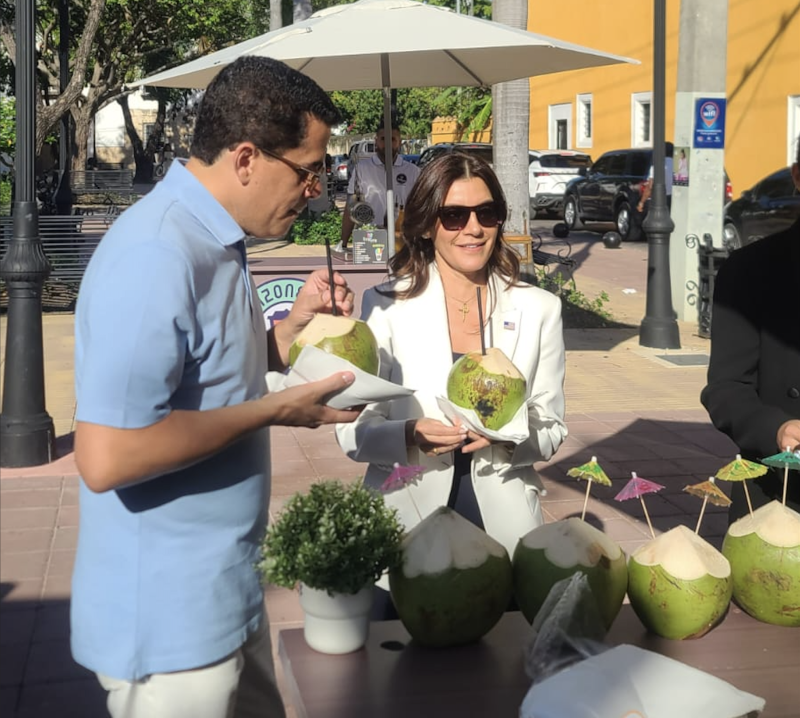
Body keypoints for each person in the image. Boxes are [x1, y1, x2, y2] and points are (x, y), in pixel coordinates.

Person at [71, 57, 363, 718]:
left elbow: (208, 377)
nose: (317, 188)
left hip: (224, 596)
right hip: (168, 625)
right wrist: (269, 412)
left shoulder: (218, 239)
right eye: (308, 168)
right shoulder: (157, 254)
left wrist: (289, 333)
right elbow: (106, 456)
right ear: (246, 159)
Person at [335, 152, 567, 577]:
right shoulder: (385, 308)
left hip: (504, 523)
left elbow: (551, 427)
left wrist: (509, 437)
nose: (474, 229)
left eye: (487, 213)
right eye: (455, 216)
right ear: (427, 224)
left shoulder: (539, 309)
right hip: (406, 515)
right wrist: (408, 433)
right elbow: (353, 430)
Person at [700, 136, 800, 523]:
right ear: (797, 177)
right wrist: (776, 429)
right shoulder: (750, 271)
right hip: (777, 494)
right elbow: (726, 389)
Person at [334, 123, 420, 253]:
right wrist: (343, 242)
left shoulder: (413, 172)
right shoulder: (362, 169)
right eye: (383, 139)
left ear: (399, 142)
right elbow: (352, 206)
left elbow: (421, 208)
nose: (388, 144)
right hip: (370, 240)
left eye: (392, 139)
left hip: (403, 242)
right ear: (376, 141)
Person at [637, 141, 674, 212]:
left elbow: (650, 186)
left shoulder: (657, 164)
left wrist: (642, 202)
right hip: (673, 200)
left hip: (659, 200)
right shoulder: (677, 165)